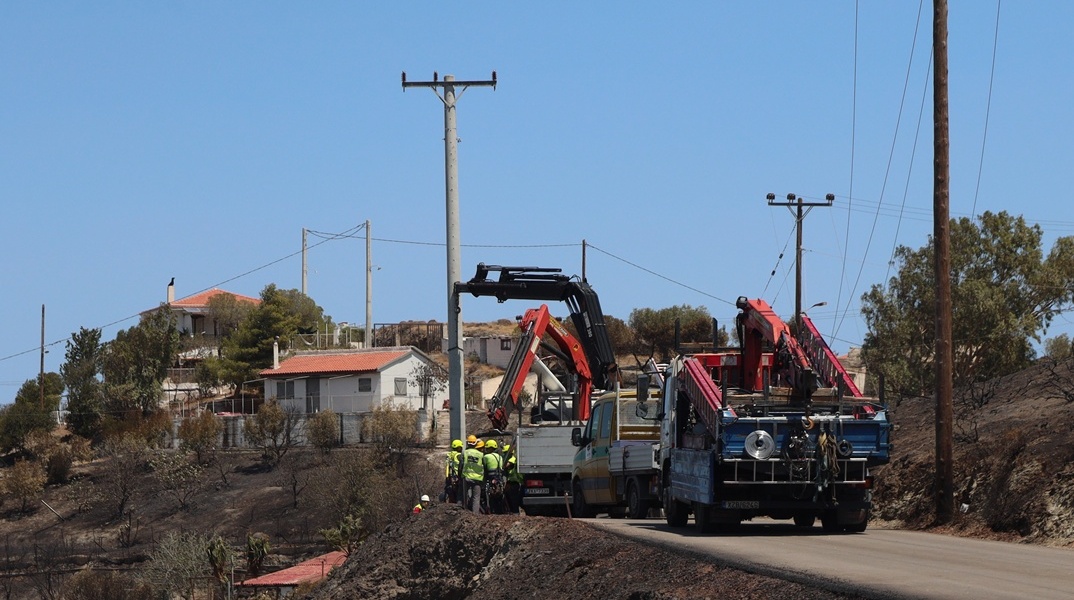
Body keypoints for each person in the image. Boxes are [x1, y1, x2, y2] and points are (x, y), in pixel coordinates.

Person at [461, 435, 485, 514]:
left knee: (464, 496)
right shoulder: (481, 455)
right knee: (476, 498)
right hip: (478, 479)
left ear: (467, 443)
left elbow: (461, 465)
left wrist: (460, 475)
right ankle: (475, 515)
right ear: (475, 444)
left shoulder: (465, 453)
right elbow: (484, 466)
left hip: (466, 477)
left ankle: (464, 512)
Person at [483, 439, 506, 514]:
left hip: (490, 479)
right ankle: (499, 511)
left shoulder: (486, 457)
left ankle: (490, 511)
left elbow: (484, 467)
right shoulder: (500, 457)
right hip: (499, 479)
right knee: (499, 495)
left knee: (490, 496)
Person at [502, 443, 523, 514]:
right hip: (511, 482)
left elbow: (505, 466)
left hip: (515, 482)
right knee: (509, 499)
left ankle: (515, 513)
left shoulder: (512, 459)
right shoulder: (511, 458)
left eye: (505, 453)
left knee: (514, 499)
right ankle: (512, 512)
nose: (504, 455)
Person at [444, 439, 463, 503]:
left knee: (450, 492)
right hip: (457, 476)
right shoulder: (458, 455)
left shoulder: (449, 455)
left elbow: (447, 466)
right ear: (459, 447)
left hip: (449, 476)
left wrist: (447, 477)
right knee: (459, 493)